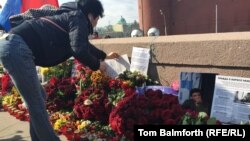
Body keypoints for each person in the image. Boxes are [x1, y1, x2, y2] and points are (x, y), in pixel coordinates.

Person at [0, 0, 119, 141]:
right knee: (36, 103)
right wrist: (97, 65)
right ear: (92, 15)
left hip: (12, 46)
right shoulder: (78, 17)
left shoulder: (71, 16)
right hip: (17, 48)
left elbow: (83, 45)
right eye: (98, 18)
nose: (96, 23)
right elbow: (79, 50)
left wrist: (104, 56)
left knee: (39, 98)